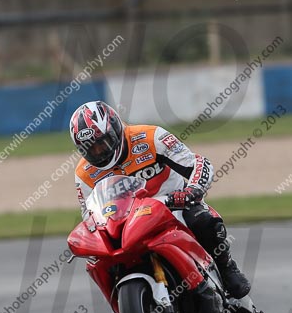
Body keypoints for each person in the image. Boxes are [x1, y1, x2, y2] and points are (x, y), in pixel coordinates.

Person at [70, 100, 251, 298]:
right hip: (126, 221)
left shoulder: (150, 136)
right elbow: (89, 213)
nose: (99, 152)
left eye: (102, 143)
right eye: (90, 149)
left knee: (202, 219)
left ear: (115, 128)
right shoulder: (84, 173)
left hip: (172, 206)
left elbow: (197, 163)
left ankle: (227, 269)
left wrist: (192, 190)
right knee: (101, 262)